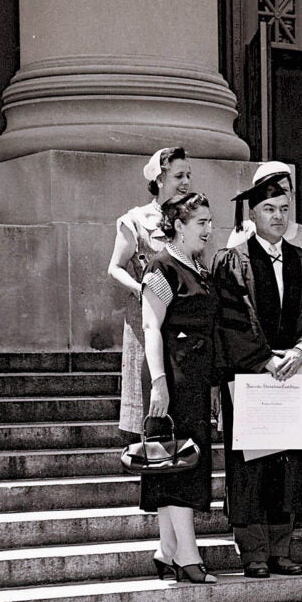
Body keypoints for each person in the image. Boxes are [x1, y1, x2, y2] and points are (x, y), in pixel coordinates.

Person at [212, 171, 302, 579]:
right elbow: (228, 322)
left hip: (295, 375)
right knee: (252, 465)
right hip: (252, 378)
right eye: (269, 209)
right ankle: (254, 552)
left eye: (284, 209)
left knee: (291, 462)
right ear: (253, 213)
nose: (278, 217)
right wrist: (265, 360)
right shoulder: (232, 261)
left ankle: (281, 548)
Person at [138, 193, 219, 584]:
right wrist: (158, 383)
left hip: (195, 376)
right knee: (177, 464)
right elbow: (151, 327)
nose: (208, 228)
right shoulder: (162, 265)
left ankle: (167, 550)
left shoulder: (197, 267)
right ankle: (188, 555)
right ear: (179, 224)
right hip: (172, 374)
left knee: (178, 461)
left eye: (209, 221)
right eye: (201, 222)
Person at [107, 146, 191, 439]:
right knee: (149, 405)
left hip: (182, 323)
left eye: (188, 175)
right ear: (158, 178)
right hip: (147, 321)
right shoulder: (135, 220)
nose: (185, 182)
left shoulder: (192, 218)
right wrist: (141, 289)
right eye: (179, 175)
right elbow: (115, 267)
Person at [225, 160, 302, 252]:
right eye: (271, 190)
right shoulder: (245, 231)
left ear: (292, 194)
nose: (279, 195)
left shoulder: (301, 233)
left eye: (284, 190)